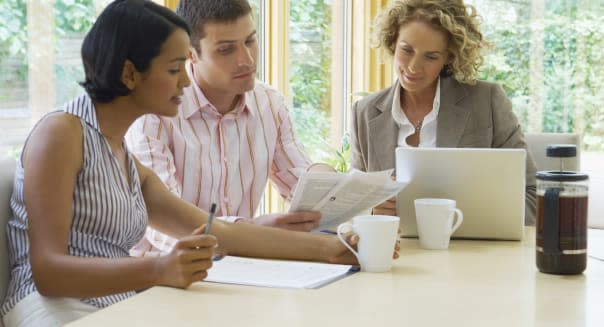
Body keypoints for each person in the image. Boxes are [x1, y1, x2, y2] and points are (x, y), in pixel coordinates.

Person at [0, 1, 368, 326]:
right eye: (175, 69)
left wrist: (335, 249)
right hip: (51, 308)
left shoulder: (123, 157)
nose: (185, 83)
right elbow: (47, 271)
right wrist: (157, 268)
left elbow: (218, 232)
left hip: (117, 303)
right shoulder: (61, 132)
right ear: (130, 74)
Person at [126, 0, 333, 255]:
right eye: (226, 50)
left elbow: (303, 187)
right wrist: (251, 230)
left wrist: (329, 183)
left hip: (240, 270)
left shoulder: (269, 103)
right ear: (190, 53)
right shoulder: (154, 113)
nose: (246, 60)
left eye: (250, 41)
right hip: (159, 276)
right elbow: (166, 228)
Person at [350, 0, 537, 225]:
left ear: (449, 56)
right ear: (393, 42)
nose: (413, 67)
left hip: (469, 253)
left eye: (431, 57)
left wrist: (454, 212)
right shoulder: (365, 112)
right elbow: (354, 206)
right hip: (392, 252)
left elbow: (532, 198)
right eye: (407, 50)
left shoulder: (487, 102)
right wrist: (372, 210)